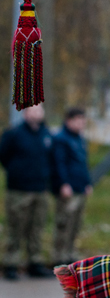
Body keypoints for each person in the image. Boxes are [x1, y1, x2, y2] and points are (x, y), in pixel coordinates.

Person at [0, 104, 54, 279]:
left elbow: (51, 159)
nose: (36, 113)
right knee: (16, 228)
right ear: (25, 113)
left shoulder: (46, 134)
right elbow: (4, 157)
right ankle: (11, 263)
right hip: (19, 190)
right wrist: (17, 173)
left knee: (36, 228)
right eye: (32, 110)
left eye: (39, 110)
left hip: (40, 189)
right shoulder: (13, 134)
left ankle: (35, 262)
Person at [51, 106, 93, 265]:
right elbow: (59, 164)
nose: (81, 124)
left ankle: (69, 254)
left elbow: (82, 164)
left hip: (80, 187)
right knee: (64, 224)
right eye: (78, 120)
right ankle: (58, 256)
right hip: (68, 189)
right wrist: (63, 184)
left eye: (83, 121)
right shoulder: (61, 139)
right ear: (69, 120)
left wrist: (87, 183)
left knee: (75, 224)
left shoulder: (80, 139)